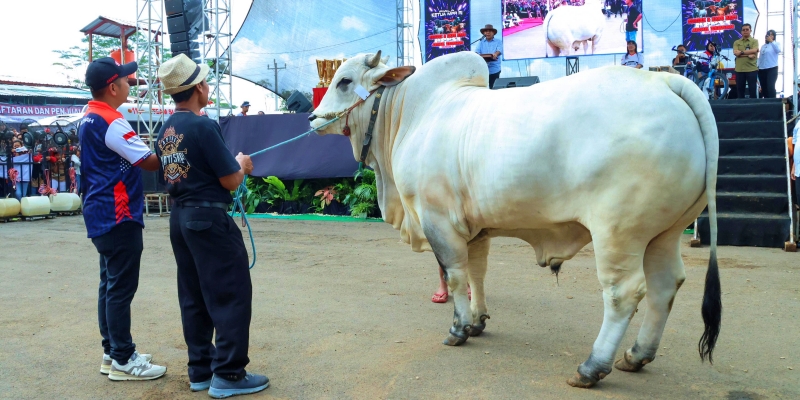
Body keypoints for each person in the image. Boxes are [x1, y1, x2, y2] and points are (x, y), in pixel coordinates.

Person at [155, 54, 269, 398]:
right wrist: (241, 164)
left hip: (180, 218)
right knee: (230, 293)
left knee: (193, 294)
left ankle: (201, 370)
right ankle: (229, 374)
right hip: (207, 218)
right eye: (205, 82)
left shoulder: (165, 129)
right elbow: (231, 180)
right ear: (198, 88)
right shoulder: (203, 126)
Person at [79, 57, 167, 381]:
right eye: (126, 80)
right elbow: (150, 162)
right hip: (119, 214)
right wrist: (176, 146)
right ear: (113, 87)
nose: (131, 84)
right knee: (120, 289)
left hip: (100, 211)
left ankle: (112, 351)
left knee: (110, 284)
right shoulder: (112, 121)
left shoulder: (88, 115)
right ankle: (124, 359)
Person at [733, 23, 759, 99]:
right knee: (740, 91)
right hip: (739, 69)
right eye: (743, 30)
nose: (745, 31)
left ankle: (753, 106)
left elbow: (754, 50)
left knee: (752, 91)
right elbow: (735, 53)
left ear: (750, 31)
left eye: (747, 29)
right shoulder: (736, 42)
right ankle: (741, 106)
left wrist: (741, 53)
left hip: (752, 69)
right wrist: (748, 54)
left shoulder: (754, 41)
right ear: (741, 32)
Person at [475, 24, 503, 89]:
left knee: (494, 89)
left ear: (493, 33)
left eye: (490, 31)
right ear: (484, 33)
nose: (488, 32)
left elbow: (499, 50)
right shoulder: (480, 42)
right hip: (483, 70)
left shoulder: (498, 42)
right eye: (486, 31)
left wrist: (495, 54)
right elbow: (477, 52)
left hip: (494, 69)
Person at [758, 29, 780, 99]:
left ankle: (773, 101)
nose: (769, 36)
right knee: (764, 86)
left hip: (772, 68)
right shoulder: (763, 46)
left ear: (774, 36)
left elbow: (778, 50)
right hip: (762, 68)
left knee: (770, 86)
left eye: (771, 34)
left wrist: (772, 41)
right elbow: (761, 57)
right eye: (768, 34)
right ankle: (766, 100)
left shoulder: (776, 44)